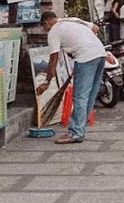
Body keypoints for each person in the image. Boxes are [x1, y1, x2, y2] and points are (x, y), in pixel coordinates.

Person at [38, 12, 108, 144]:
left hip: (85, 57)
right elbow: (96, 28)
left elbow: (53, 59)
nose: (45, 30)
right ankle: (79, 128)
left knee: (80, 96)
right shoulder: (72, 19)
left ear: (46, 23)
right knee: (90, 95)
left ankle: (76, 133)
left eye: (44, 27)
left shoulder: (54, 31)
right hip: (100, 53)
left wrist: (47, 82)